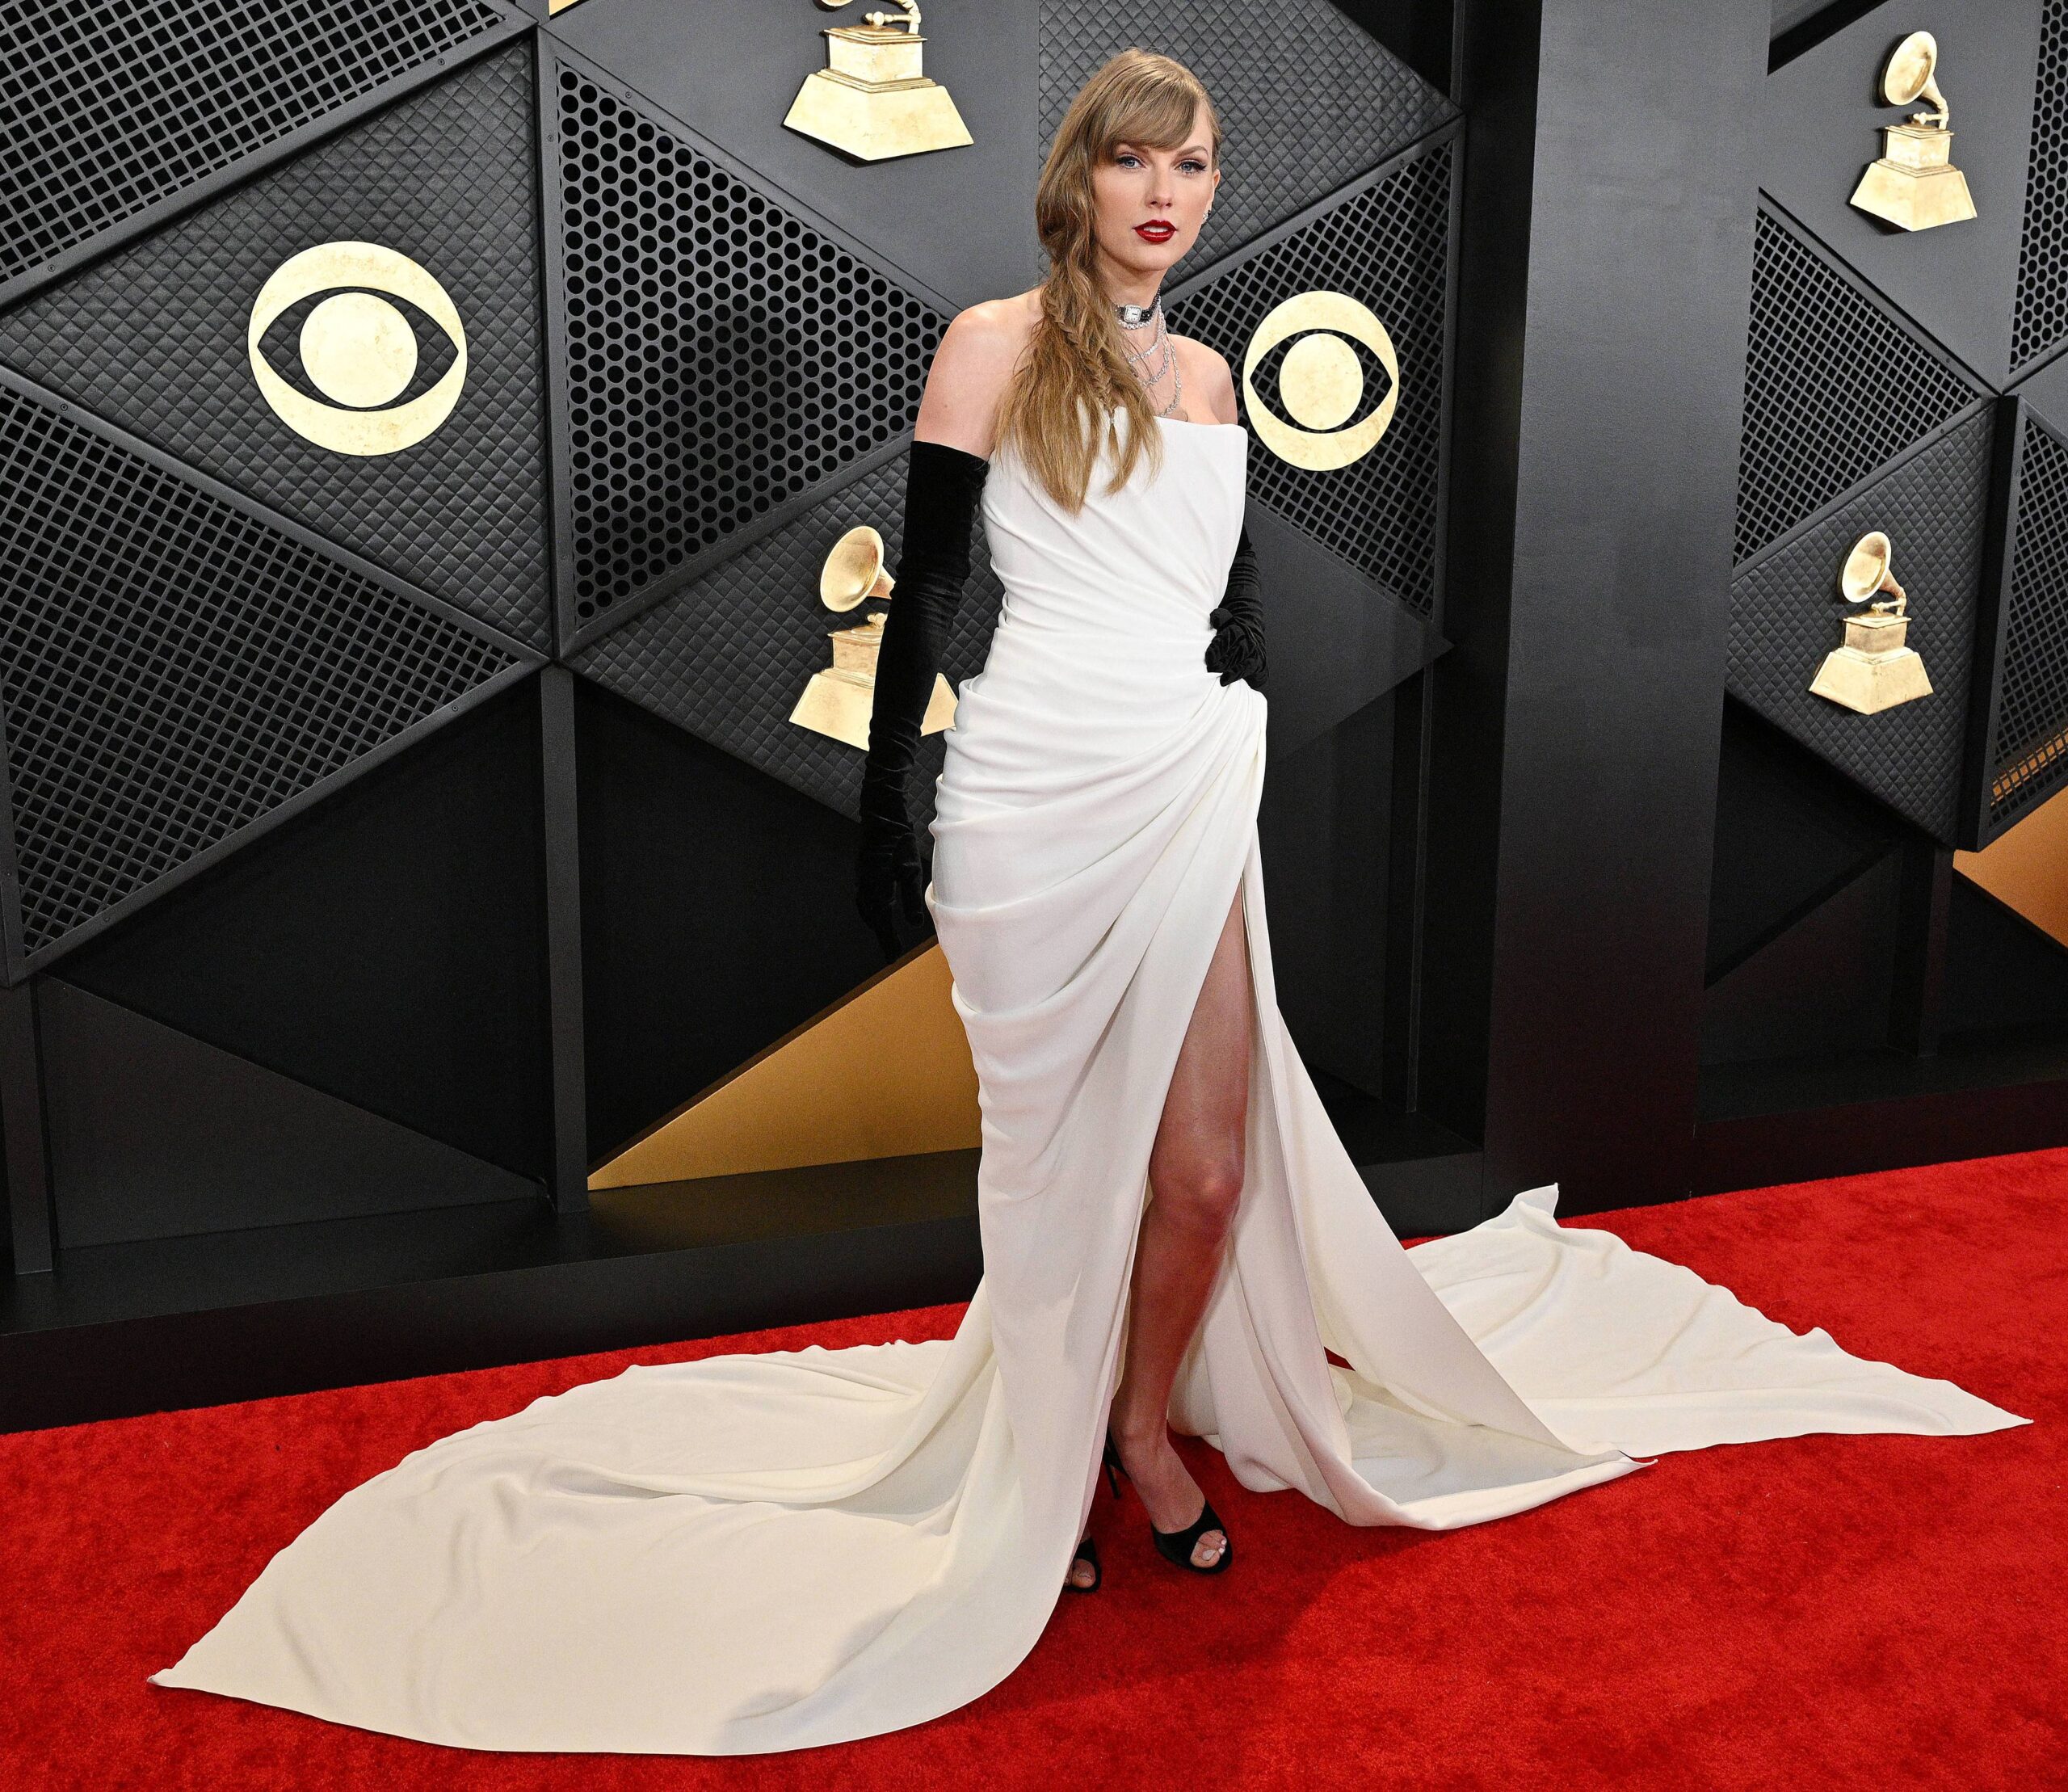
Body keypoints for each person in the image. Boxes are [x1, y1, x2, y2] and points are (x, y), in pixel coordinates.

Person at [146, 49, 2025, 1759]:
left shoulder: (1207, 379)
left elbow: (1217, 602)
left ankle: (1134, 1423)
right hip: (1031, 802)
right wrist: (890, 799)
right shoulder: (984, 342)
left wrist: (1240, 721)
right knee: (1055, 1174)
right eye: (1133, 156)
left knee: (1201, 1166)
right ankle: (1040, 1475)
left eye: (1191, 162)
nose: (1163, 187)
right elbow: (934, 597)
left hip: (1184, 781)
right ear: (1078, 177)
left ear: (1210, 191)